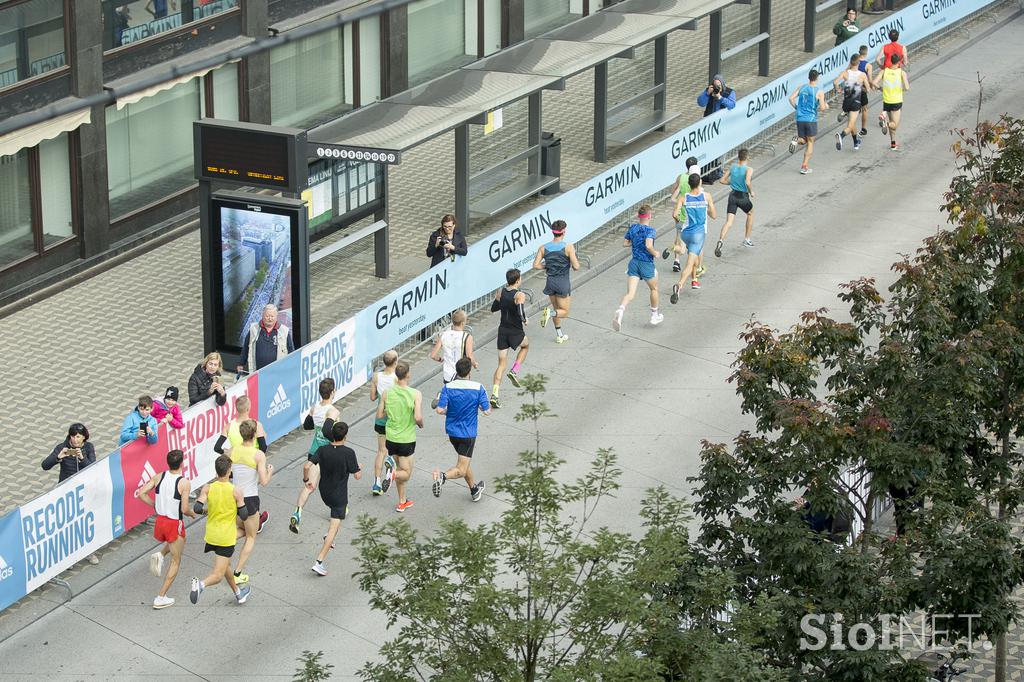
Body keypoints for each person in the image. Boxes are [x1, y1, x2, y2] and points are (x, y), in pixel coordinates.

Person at [189, 455, 251, 605]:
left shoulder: (208, 488)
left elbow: (197, 508)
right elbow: (244, 514)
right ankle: (200, 585)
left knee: (226, 565)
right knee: (217, 575)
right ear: (229, 471)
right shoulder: (235, 491)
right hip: (226, 538)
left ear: (216, 471)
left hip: (211, 535)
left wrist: (208, 511)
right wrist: (237, 505)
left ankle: (238, 593)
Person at [138, 449, 195, 609]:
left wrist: (155, 505)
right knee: (176, 560)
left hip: (160, 521)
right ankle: (160, 597)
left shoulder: (158, 476)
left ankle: (161, 554)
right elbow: (184, 508)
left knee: (179, 542)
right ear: (182, 464)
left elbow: (141, 493)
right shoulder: (184, 482)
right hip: (173, 523)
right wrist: (191, 514)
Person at [432, 358, 491, 502]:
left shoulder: (448, 388)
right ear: (469, 372)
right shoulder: (478, 388)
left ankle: (474, 490)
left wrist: (450, 410)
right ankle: (443, 477)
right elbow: (487, 411)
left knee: (464, 461)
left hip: (452, 432)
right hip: (468, 434)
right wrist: (477, 405)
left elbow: (440, 409)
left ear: (457, 371)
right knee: (461, 468)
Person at [42, 423, 99, 565]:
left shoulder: (89, 447)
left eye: (78, 436)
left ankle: (89, 551)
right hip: (66, 491)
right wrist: (58, 458)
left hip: (84, 489)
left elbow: (94, 467)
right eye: (73, 436)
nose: (75, 440)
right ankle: (68, 557)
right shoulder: (62, 447)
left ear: (84, 437)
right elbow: (45, 465)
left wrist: (82, 458)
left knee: (85, 521)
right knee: (67, 523)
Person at [310, 421, 361, 576]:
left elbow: (307, 466)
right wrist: (359, 468)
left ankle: (329, 536)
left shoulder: (322, 449)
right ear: (345, 436)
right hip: (339, 495)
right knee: (335, 526)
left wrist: (307, 480)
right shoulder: (348, 453)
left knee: (336, 516)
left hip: (324, 492)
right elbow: (357, 475)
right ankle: (319, 561)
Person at [290, 378, 340, 533]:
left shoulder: (314, 407)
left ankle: (297, 513)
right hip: (329, 452)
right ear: (332, 392)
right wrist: (335, 441)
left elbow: (307, 425)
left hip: (314, 451)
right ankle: (337, 509)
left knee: (309, 486)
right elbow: (327, 431)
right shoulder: (333, 411)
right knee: (335, 483)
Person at [227, 419, 273, 583]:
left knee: (243, 529)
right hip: (250, 499)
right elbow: (264, 481)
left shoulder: (232, 451)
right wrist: (270, 471)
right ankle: (237, 573)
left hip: (234, 497)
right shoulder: (258, 455)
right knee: (251, 537)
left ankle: (225, 543)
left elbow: (228, 472)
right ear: (254, 435)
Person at [377, 361, 423, 513]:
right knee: (406, 473)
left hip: (391, 438)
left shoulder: (386, 393)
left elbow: (379, 415)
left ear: (396, 376)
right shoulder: (415, 394)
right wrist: (421, 424)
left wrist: (390, 412)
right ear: (408, 375)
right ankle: (392, 475)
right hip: (406, 439)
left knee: (397, 467)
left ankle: (402, 501)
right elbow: (417, 417)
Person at [612, 205, 662, 331]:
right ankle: (654, 315)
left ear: (639, 216)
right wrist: (655, 253)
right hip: (646, 263)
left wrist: (635, 244)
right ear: (649, 216)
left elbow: (625, 243)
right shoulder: (650, 230)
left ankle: (621, 310)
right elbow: (648, 245)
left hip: (634, 263)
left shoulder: (633, 228)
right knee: (654, 289)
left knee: (630, 293)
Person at [669, 174, 717, 304]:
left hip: (686, 232)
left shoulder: (684, 198)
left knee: (693, 257)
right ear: (700, 182)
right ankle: (679, 285)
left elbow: (675, 214)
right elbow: (714, 215)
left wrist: (679, 220)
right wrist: (705, 209)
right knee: (690, 263)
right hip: (698, 235)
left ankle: (675, 249)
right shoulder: (706, 197)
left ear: (689, 184)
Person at [535, 220, 580, 344]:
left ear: (553, 232)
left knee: (557, 310)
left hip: (550, 282)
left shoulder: (543, 248)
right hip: (562, 283)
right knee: (564, 312)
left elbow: (536, 265)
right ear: (564, 231)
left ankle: (559, 334)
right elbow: (576, 267)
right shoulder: (568, 247)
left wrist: (547, 266)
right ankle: (549, 313)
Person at [489, 268, 529, 410]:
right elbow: (520, 312)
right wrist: (525, 320)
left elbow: (494, 308)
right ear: (517, 280)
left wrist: (498, 298)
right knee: (526, 346)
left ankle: (494, 395)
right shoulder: (519, 295)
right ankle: (515, 370)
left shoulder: (501, 292)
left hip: (503, 331)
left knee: (501, 364)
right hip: (515, 331)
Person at [429, 310, 476, 410]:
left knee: (451, 394)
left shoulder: (444, 335)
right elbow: (469, 355)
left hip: (447, 372)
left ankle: (442, 395)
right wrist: (474, 363)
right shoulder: (467, 337)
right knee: (461, 398)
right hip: (461, 371)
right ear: (463, 322)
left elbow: (433, 355)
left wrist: (440, 359)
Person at [788, 69, 829, 175]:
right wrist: (824, 106)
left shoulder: (801, 87)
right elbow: (823, 108)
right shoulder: (819, 92)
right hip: (811, 119)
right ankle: (804, 166)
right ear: (817, 78)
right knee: (810, 143)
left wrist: (797, 108)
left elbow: (791, 98)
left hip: (800, 118)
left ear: (809, 78)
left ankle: (796, 140)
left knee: (803, 140)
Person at [369, 350, 399, 495]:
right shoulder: (397, 379)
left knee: (381, 450)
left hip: (380, 418)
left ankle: (377, 482)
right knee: (395, 449)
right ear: (395, 362)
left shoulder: (376, 376)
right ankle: (391, 474)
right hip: (393, 418)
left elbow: (373, 397)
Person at [715, 149, 755, 256]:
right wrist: (751, 192)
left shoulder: (733, 167)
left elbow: (722, 180)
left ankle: (720, 241)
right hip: (742, 196)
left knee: (729, 222)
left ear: (738, 157)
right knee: (750, 213)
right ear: (747, 157)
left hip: (732, 196)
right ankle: (747, 239)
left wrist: (732, 183)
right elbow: (747, 182)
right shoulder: (749, 169)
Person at [696, 76, 735, 183]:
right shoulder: (709, 91)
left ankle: (719, 169)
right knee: (708, 147)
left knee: (721, 148)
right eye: (715, 85)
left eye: (718, 86)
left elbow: (732, 105)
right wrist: (707, 93)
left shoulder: (729, 92)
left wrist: (720, 97)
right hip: (709, 126)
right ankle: (707, 171)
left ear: (722, 85)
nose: (716, 87)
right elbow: (700, 103)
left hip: (722, 126)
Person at [667, 157, 702, 273]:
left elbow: (673, 192)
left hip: (680, 213)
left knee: (678, 236)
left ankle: (676, 261)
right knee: (696, 241)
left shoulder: (681, 177)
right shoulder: (697, 180)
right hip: (692, 215)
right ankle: (697, 268)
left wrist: (679, 203)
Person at [237, 304, 294, 375]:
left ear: (276, 317)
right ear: (262, 316)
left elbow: (291, 352)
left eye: (272, 316)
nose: (270, 319)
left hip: (277, 373)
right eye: (267, 316)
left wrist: (292, 369)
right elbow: (246, 347)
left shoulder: (284, 331)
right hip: (257, 372)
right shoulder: (253, 329)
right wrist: (241, 363)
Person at [833, 54, 870, 152]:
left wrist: (839, 90)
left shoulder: (845, 73)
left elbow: (835, 82)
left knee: (852, 122)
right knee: (850, 126)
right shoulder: (862, 75)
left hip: (846, 102)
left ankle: (856, 142)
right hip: (856, 102)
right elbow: (868, 89)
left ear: (850, 62)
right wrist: (860, 87)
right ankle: (841, 136)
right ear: (859, 63)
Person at [873, 53, 910, 151]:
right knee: (894, 124)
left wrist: (881, 88)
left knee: (892, 123)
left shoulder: (884, 71)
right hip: (896, 101)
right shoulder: (902, 73)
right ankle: (885, 123)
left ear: (891, 61)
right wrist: (900, 89)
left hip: (886, 101)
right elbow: (907, 87)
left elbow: (874, 82)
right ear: (899, 62)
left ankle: (893, 144)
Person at [856, 45, 874, 138]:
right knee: (865, 109)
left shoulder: (854, 61)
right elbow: (870, 79)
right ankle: (863, 129)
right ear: (866, 53)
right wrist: (871, 86)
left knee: (854, 109)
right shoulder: (868, 65)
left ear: (859, 52)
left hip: (853, 89)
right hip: (862, 89)